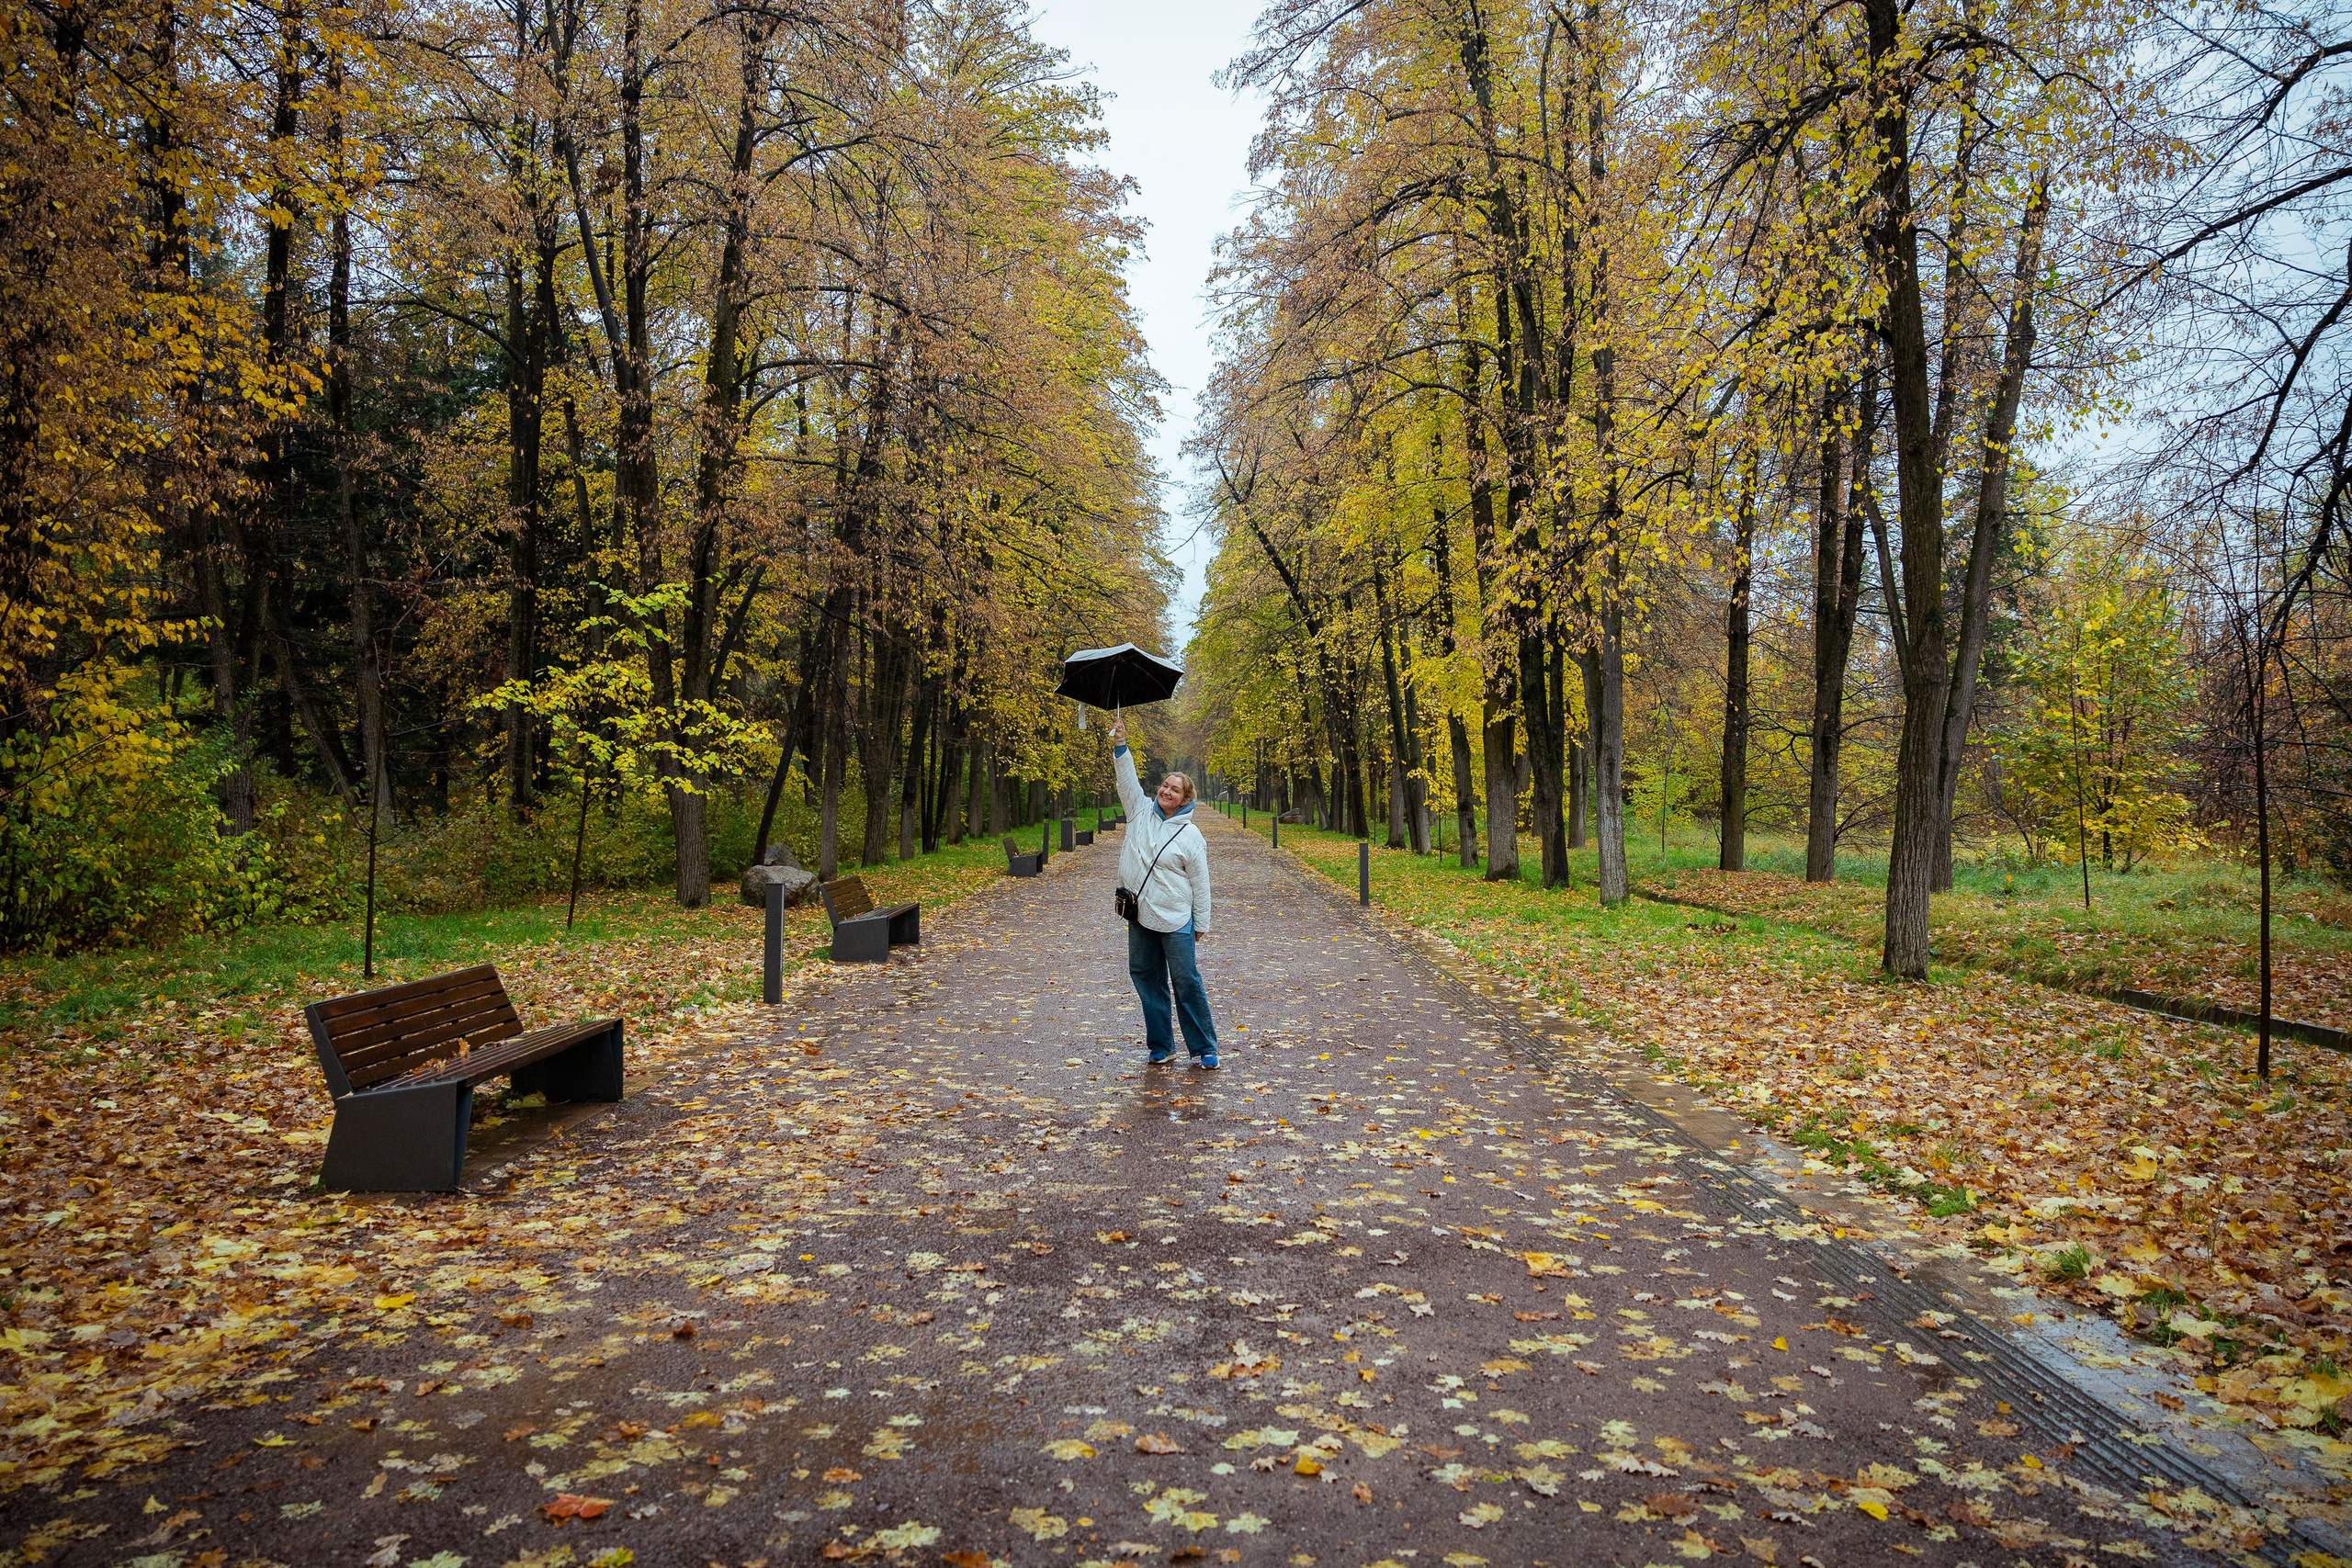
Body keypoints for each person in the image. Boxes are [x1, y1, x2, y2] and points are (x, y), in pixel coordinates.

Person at [1109, 717, 1218, 1067]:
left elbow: (1201, 884)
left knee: (1186, 982)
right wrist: (1120, 744)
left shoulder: (1191, 836)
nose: (1166, 791)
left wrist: (1201, 922)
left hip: (1175, 919)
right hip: (1140, 913)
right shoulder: (1139, 811)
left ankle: (1204, 1048)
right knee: (1146, 978)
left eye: (1175, 789)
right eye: (1164, 785)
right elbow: (1127, 782)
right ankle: (1161, 1046)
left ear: (1185, 799)